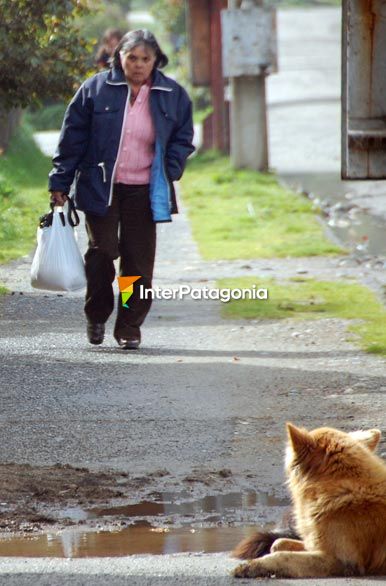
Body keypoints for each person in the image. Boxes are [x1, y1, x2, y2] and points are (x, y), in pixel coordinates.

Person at [48, 29, 195, 349]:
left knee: (137, 263)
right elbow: (72, 138)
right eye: (132, 58)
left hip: (145, 189)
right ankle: (97, 314)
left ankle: (129, 325)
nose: (139, 65)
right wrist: (60, 182)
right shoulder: (95, 89)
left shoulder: (172, 93)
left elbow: (183, 137)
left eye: (146, 59)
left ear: (156, 60)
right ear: (120, 58)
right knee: (103, 253)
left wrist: (172, 167)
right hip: (102, 185)